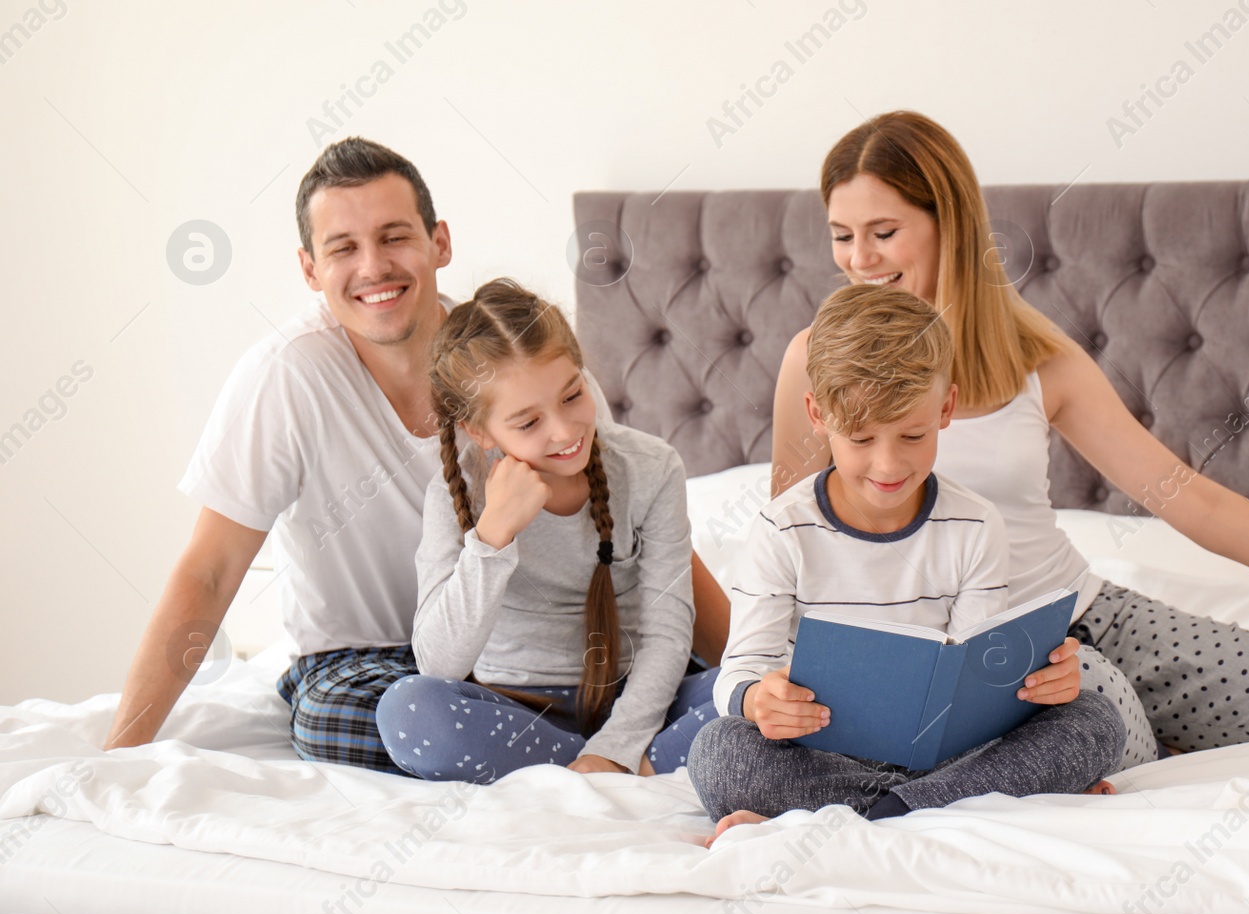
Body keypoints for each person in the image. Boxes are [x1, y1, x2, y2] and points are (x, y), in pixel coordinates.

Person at [765, 111, 1249, 755]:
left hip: (1083, 612)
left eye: (883, 232)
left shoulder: (1037, 361)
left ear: (950, 223)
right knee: (1104, 718)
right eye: (841, 234)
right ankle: (1135, 732)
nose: (859, 259)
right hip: (973, 663)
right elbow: (793, 547)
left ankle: (1174, 718)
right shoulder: (812, 360)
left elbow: (1191, 500)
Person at [105, 137, 730, 772]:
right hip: (379, 661)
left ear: (440, 242)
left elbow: (645, 541)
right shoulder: (285, 377)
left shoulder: (535, 368)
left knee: (732, 696)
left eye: (394, 236)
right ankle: (619, 763)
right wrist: (118, 752)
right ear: (310, 269)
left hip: (577, 662)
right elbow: (208, 573)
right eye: (343, 248)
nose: (373, 267)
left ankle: (596, 757)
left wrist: (753, 667)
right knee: (359, 717)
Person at [690, 285, 1147, 839]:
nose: (888, 464)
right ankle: (935, 811)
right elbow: (738, 670)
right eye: (860, 438)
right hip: (825, 755)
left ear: (946, 408)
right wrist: (757, 697)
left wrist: (1037, 682)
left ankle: (871, 818)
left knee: (1093, 719)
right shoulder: (782, 530)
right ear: (818, 414)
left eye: (912, 434)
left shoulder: (976, 525)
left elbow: (979, 671)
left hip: (948, 755)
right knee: (719, 750)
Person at [375, 280, 716, 780]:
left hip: (641, 704)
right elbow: (439, 663)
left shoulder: (652, 468)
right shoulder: (456, 497)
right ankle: (624, 770)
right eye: (528, 422)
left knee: (756, 687)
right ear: (480, 430)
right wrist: (493, 537)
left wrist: (618, 742)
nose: (564, 431)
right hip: (520, 708)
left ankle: (601, 766)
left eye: (572, 395)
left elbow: (668, 634)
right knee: (408, 710)